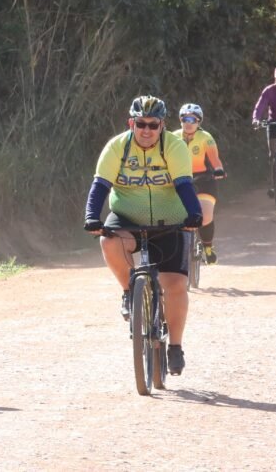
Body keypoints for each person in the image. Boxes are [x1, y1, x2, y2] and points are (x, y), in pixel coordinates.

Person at [84, 95, 203, 376]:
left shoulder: (174, 147)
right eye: (141, 124)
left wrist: (194, 215)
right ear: (131, 123)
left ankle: (175, 346)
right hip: (128, 216)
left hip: (170, 220)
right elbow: (100, 185)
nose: (146, 130)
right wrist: (91, 216)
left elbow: (185, 185)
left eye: (153, 124)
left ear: (162, 126)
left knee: (175, 285)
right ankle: (129, 292)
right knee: (109, 240)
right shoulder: (117, 147)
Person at [172, 103, 226, 264]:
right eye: (185, 119)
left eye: (193, 120)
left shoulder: (206, 138)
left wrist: (218, 169)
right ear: (180, 120)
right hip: (178, 179)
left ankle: (207, 247)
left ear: (199, 122)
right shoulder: (172, 137)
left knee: (205, 215)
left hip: (203, 180)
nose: (188, 123)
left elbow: (215, 159)